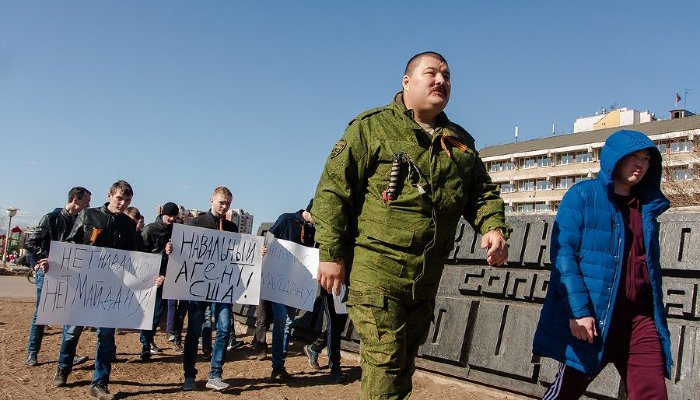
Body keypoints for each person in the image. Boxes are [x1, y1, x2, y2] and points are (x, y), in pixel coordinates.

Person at [312, 51, 509, 399]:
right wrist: (330, 254)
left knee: (403, 367)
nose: (441, 81)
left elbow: (481, 193)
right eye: (431, 73)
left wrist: (492, 226)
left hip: (424, 280)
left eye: (447, 76)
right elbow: (333, 191)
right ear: (406, 82)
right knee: (385, 365)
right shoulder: (371, 127)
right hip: (376, 273)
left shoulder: (459, 142)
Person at [532, 130, 672, 400]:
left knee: (652, 394)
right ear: (614, 158)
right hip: (595, 318)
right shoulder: (582, 196)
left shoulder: (645, 209)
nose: (640, 165)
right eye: (633, 157)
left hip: (639, 321)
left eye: (646, 159)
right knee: (566, 392)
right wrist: (578, 311)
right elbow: (564, 255)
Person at [52, 180, 149, 400]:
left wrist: (153, 276)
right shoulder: (88, 216)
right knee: (71, 332)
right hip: (84, 285)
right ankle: (63, 368)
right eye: (119, 198)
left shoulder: (127, 224)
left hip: (111, 288)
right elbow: (70, 243)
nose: (123, 204)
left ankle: (100, 382)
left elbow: (136, 257)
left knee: (105, 337)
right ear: (109, 195)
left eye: (127, 200)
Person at [23, 186, 91, 367]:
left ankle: (67, 355)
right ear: (76, 200)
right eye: (86, 201)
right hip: (47, 272)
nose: (89, 205)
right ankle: (32, 353)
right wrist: (41, 259)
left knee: (69, 315)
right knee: (42, 314)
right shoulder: (51, 218)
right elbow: (31, 241)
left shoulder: (82, 221)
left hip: (70, 274)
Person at [179, 187, 238, 392]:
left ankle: (215, 374)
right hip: (198, 286)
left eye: (228, 203)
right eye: (221, 202)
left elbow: (238, 256)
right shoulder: (196, 223)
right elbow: (184, 251)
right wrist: (171, 249)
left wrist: (257, 253)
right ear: (211, 200)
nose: (224, 206)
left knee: (223, 328)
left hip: (221, 287)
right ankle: (189, 376)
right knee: (194, 331)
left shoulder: (232, 227)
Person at [265, 199, 318, 381]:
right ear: (309, 211)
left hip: (295, 284)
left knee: (288, 323)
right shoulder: (286, 220)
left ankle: (279, 366)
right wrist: (264, 250)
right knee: (283, 320)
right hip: (277, 281)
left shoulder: (313, 230)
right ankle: (277, 366)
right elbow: (268, 239)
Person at [138, 201, 179, 360]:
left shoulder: (176, 231)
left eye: (174, 216)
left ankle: (148, 340)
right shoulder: (150, 229)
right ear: (163, 214)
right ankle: (146, 343)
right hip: (151, 276)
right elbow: (142, 253)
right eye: (169, 216)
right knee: (149, 311)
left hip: (167, 275)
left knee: (157, 312)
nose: (171, 219)